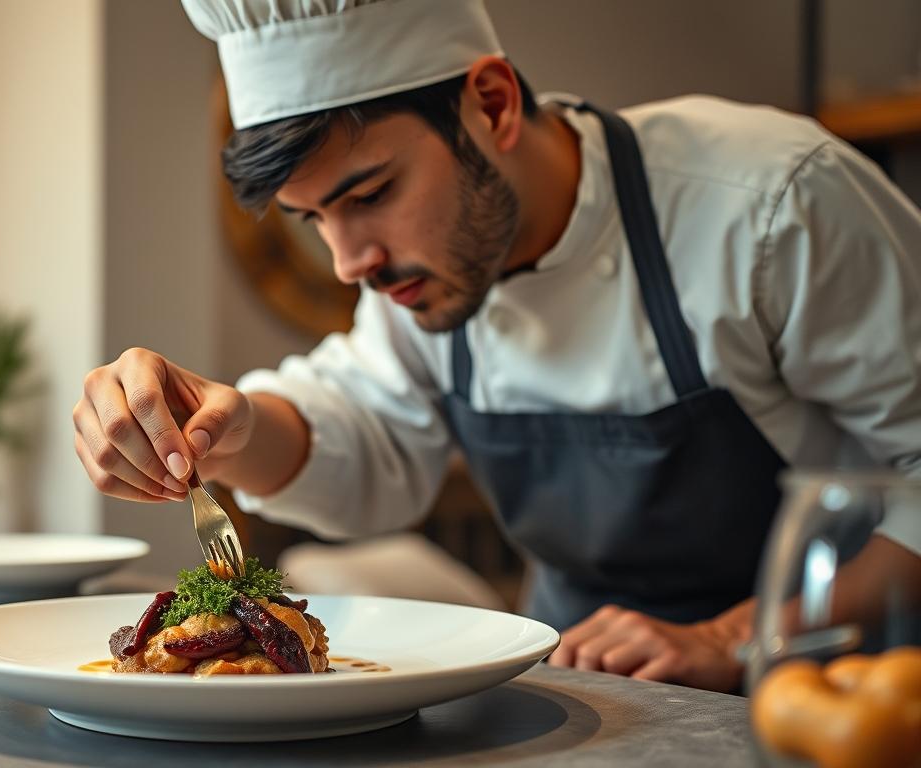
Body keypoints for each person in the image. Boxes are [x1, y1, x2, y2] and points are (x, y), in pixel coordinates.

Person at [72, 0, 921, 691]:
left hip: (840, 699)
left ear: (492, 104)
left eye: (371, 194)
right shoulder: (423, 276)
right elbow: (363, 435)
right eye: (314, 219)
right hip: (589, 695)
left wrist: (734, 637)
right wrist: (226, 425)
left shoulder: (774, 204)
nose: (348, 262)